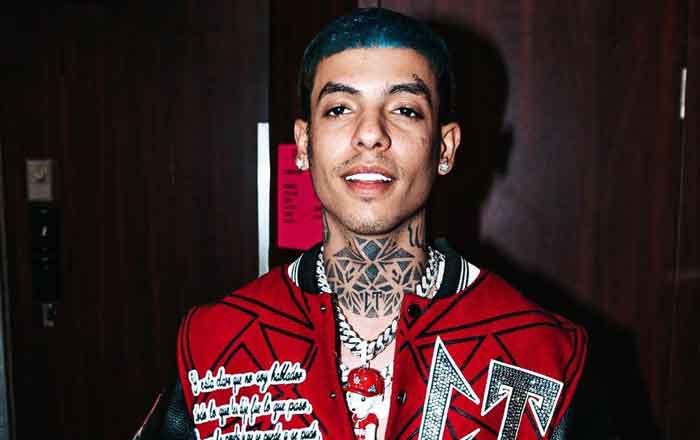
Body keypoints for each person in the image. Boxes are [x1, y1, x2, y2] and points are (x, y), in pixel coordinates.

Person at [134, 8, 588, 440]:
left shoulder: (544, 355)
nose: (370, 133)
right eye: (339, 109)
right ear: (304, 144)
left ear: (445, 148)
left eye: (405, 109)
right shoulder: (216, 345)